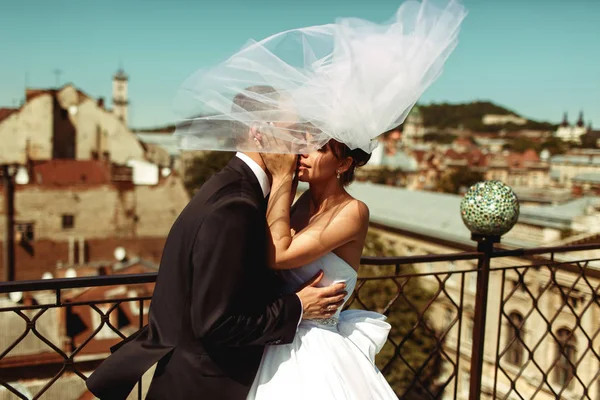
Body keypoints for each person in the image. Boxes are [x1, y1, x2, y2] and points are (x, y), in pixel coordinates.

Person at [85, 86, 348, 400]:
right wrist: (299, 307)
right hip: (205, 386)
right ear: (261, 134)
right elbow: (217, 322)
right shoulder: (236, 205)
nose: (302, 145)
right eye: (293, 133)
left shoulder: (227, 186)